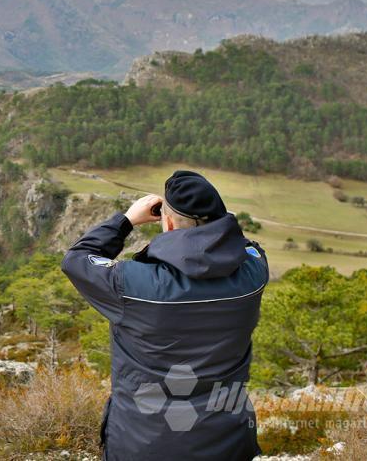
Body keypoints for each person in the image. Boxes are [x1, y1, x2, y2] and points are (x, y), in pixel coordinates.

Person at [61, 170, 269, 460]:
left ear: (167, 222)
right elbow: (248, 247)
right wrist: (218, 221)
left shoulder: (133, 284)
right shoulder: (253, 273)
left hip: (142, 444)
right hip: (227, 441)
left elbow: (77, 259)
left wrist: (126, 221)